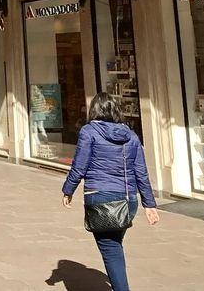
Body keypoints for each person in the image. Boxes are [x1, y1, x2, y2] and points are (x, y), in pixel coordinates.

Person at [62, 92, 159, 291]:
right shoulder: (131, 135)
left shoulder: (89, 131)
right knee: (114, 245)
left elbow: (79, 165)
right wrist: (149, 204)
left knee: (110, 248)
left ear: (94, 110)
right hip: (126, 199)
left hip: (100, 198)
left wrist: (68, 189)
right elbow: (141, 172)